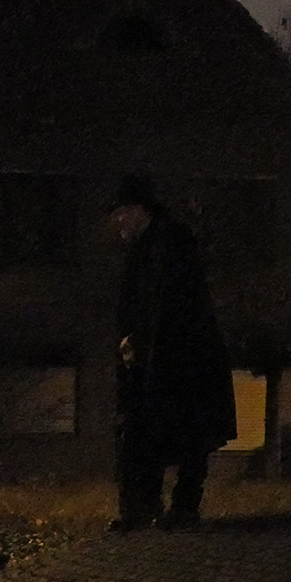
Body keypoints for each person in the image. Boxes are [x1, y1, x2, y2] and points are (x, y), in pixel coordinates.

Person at [110, 175, 238, 531]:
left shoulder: (168, 243)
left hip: (180, 361)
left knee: (181, 432)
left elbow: (170, 304)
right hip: (156, 359)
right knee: (149, 431)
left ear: (137, 210)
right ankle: (144, 507)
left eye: (121, 214)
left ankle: (175, 508)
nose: (117, 222)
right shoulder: (148, 246)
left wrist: (143, 342)